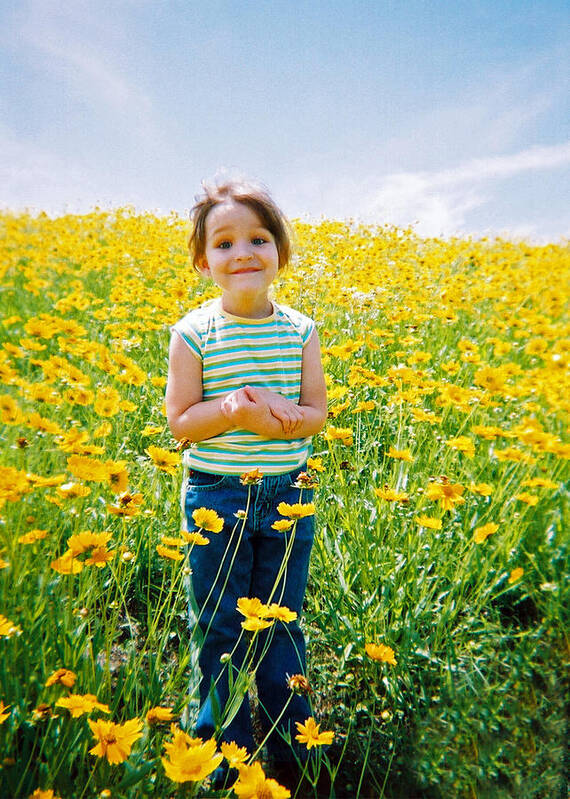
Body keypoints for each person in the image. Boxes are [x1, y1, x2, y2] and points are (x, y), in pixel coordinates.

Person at [165, 176, 327, 784]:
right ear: (204, 261)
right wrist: (234, 409)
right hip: (217, 496)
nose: (243, 254)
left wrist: (281, 424)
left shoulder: (300, 331)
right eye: (225, 243)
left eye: (258, 239)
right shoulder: (193, 332)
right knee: (218, 626)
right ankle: (219, 757)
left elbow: (315, 414)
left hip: (289, 494)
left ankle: (296, 754)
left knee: (283, 621)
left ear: (280, 253)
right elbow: (181, 423)